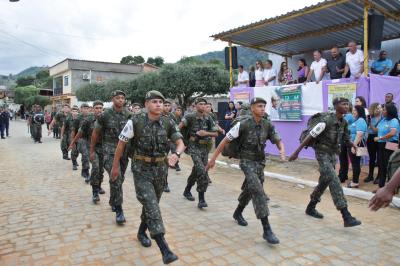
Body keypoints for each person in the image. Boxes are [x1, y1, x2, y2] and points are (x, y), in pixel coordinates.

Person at [111, 90, 185, 264]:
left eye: (161, 101)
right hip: (141, 169)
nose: (158, 104)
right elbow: (121, 145)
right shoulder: (135, 121)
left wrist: (176, 153)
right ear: (146, 105)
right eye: (154, 101)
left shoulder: (168, 122)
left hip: (161, 169)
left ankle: (141, 231)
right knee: (151, 204)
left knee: (152, 204)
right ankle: (164, 248)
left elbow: (180, 142)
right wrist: (115, 167)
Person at [206, 97, 286, 244]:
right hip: (246, 161)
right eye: (259, 106)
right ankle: (267, 229)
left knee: (250, 189)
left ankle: (238, 212)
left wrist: (282, 150)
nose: (262, 109)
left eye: (264, 106)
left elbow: (277, 139)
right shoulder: (243, 124)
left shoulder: (267, 124)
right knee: (257, 190)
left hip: (260, 162)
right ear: (252, 108)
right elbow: (225, 141)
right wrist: (213, 159)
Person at [289, 97, 361, 228]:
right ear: (335, 106)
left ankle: (311, 207)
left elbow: (345, 138)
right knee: (334, 180)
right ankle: (346, 215)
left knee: (324, 182)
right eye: (343, 104)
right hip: (322, 154)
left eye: (347, 104)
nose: (346, 106)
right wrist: (296, 152)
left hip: (333, 155)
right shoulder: (326, 120)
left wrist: (353, 144)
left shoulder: (343, 122)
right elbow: (311, 136)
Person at [91, 90, 131, 225]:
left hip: (124, 152)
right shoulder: (105, 115)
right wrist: (92, 151)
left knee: (119, 179)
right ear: (112, 99)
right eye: (118, 98)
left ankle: (113, 200)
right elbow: (95, 133)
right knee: (116, 177)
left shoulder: (129, 115)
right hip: (109, 151)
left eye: (122, 98)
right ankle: (119, 210)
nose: (121, 100)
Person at [179, 97, 218, 209]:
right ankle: (201, 199)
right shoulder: (190, 116)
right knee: (202, 171)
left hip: (204, 148)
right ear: (195, 106)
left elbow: (215, 134)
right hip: (193, 147)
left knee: (196, 171)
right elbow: (178, 128)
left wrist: (205, 133)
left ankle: (187, 190)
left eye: (204, 104)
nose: (203, 106)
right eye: (200, 104)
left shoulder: (208, 117)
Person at [70, 101, 105, 202]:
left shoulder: (106, 119)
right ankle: (95, 192)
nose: (99, 110)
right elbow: (80, 132)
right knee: (95, 168)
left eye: (100, 108)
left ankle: (98, 185)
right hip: (91, 147)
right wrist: (73, 142)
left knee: (101, 170)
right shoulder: (88, 120)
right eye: (96, 108)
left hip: (103, 148)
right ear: (92, 109)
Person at [374, 103, 399, 189]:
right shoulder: (383, 120)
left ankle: (390, 188)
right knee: (381, 165)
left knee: (389, 166)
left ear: (389, 111)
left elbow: (392, 133)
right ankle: (381, 187)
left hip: (391, 144)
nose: (382, 111)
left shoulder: (394, 120)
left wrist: (380, 137)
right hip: (381, 144)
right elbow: (376, 129)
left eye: (384, 110)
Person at [347, 105, 368, 188]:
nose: (353, 112)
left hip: (356, 144)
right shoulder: (357, 120)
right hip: (354, 144)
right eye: (353, 110)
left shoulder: (361, 120)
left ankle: (355, 182)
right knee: (355, 163)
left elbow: (359, 135)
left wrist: (353, 146)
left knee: (356, 164)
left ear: (360, 111)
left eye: (355, 110)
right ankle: (354, 180)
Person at [70, 103, 91, 182]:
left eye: (87, 108)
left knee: (90, 157)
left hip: (91, 140)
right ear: (81, 109)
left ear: (89, 109)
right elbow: (73, 131)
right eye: (84, 108)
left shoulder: (92, 117)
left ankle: (85, 171)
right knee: (85, 155)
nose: (85, 110)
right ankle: (86, 173)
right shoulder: (78, 119)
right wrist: (73, 142)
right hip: (81, 139)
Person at [365, 103, 382, 183]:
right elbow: (367, 129)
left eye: (380, 108)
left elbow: (376, 130)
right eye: (377, 108)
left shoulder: (383, 118)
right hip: (371, 138)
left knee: (379, 158)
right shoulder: (370, 118)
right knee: (372, 158)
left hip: (380, 138)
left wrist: (370, 124)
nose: (379, 109)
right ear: (372, 109)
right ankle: (370, 175)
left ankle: (379, 176)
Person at [162, 99, 177, 193]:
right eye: (165, 105)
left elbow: (175, 128)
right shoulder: (157, 116)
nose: (167, 107)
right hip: (158, 143)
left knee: (165, 163)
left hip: (168, 143)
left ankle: (165, 183)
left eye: (168, 105)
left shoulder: (172, 116)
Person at [338, 103, 353, 183]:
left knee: (343, 158)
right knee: (342, 158)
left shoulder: (349, 116)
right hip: (343, 138)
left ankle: (342, 176)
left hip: (347, 139)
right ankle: (343, 175)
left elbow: (341, 125)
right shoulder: (344, 116)